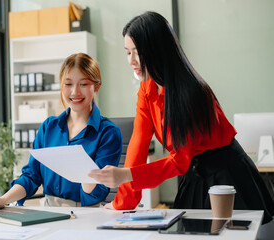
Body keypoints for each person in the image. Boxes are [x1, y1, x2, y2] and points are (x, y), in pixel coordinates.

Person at [89, 11, 274, 224]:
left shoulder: (192, 92)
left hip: (226, 176)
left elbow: (179, 160)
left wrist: (126, 175)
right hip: (193, 174)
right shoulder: (147, 89)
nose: (131, 61)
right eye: (127, 52)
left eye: (137, 52)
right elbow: (137, 145)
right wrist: (124, 201)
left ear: (157, 50)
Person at [0, 53, 122, 208]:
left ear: (96, 86)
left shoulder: (108, 133)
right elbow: (31, 176)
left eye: (84, 84)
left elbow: (98, 193)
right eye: (68, 84)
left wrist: (83, 170)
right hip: (49, 210)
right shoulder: (48, 128)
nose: (75, 92)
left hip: (86, 213)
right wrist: (3, 200)